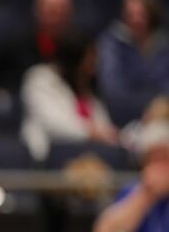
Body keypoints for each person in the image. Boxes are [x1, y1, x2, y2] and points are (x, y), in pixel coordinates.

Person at [21, 33, 119, 161]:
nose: (94, 65)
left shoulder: (87, 89)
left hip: (89, 157)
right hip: (50, 157)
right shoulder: (40, 79)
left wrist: (110, 134)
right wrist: (91, 132)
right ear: (75, 59)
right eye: (90, 58)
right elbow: (53, 124)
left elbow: (103, 127)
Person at [97, 0, 169, 126]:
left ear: (151, 15)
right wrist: (153, 106)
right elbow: (113, 93)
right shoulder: (110, 44)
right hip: (123, 122)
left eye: (141, 14)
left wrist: (163, 105)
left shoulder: (164, 44)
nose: (136, 20)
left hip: (164, 118)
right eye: (131, 15)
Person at [93, 119, 169, 232]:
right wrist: (145, 195)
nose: (159, 167)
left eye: (164, 159)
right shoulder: (133, 191)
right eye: (153, 159)